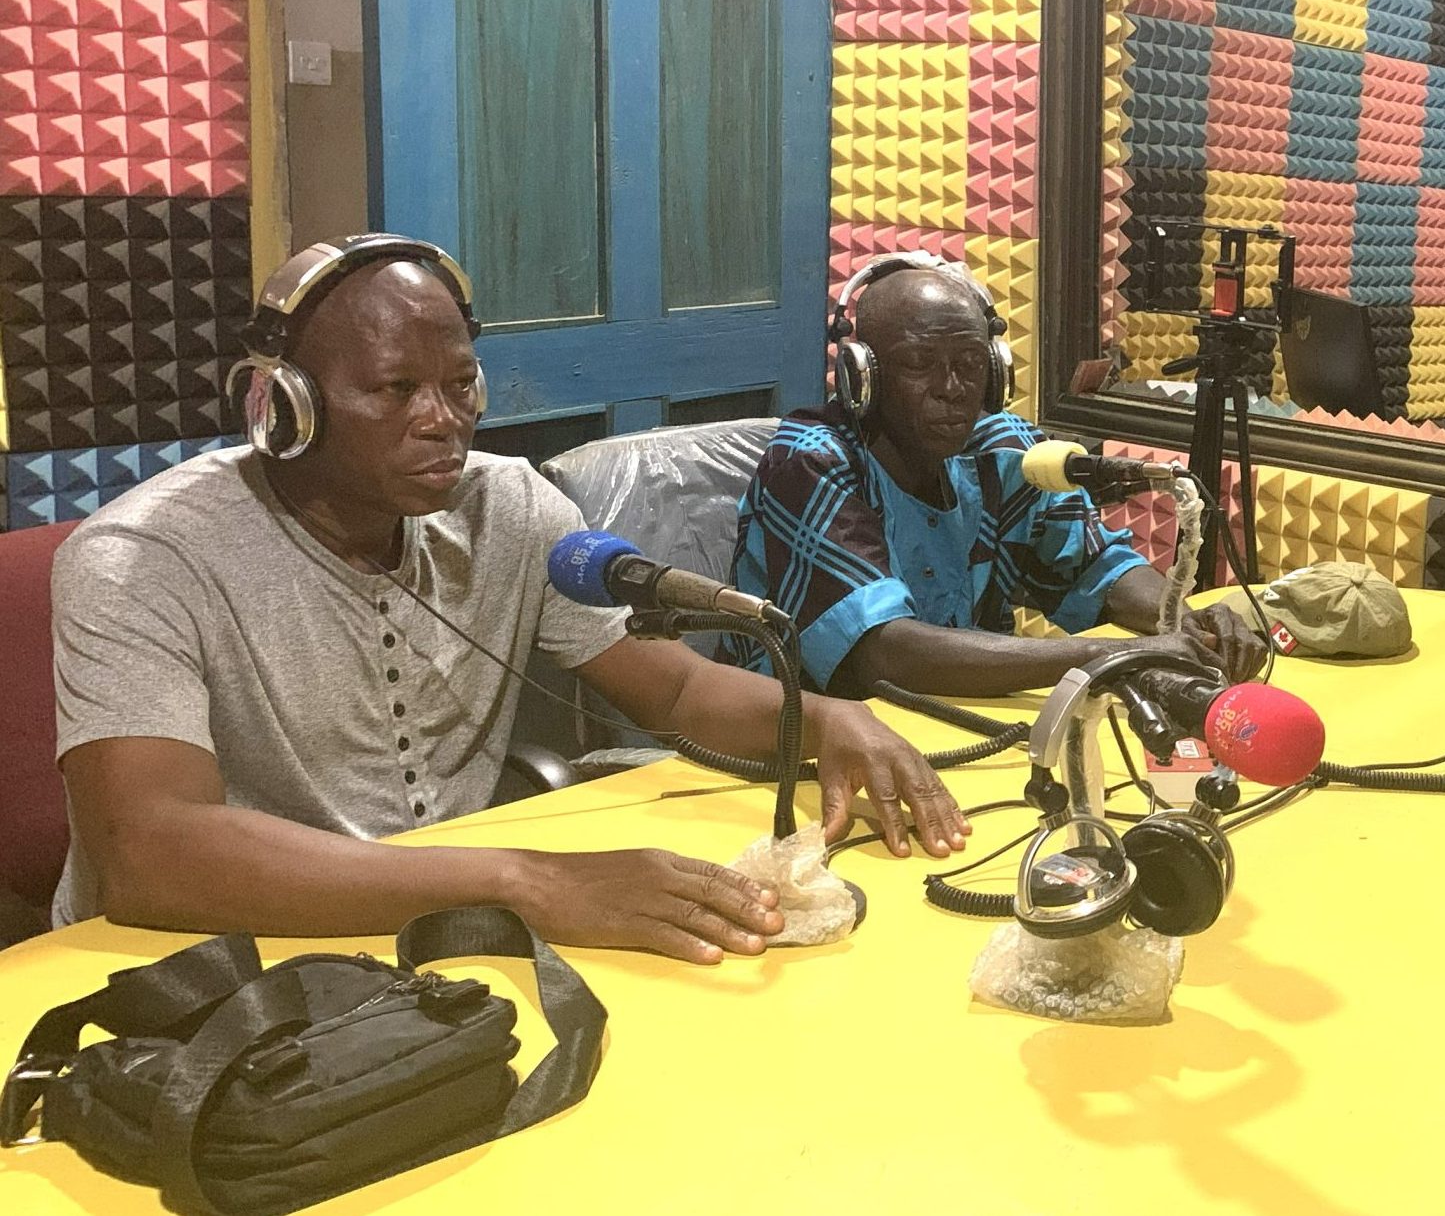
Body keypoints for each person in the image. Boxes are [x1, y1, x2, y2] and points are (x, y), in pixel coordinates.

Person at [52, 235, 970, 964]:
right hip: (217, 957)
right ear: (284, 407)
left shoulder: (507, 503)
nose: (442, 420)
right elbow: (150, 852)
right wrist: (531, 882)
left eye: (459, 386)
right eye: (393, 389)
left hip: (445, 941)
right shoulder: (145, 557)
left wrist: (826, 720)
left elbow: (679, 694)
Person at [730, 255, 1268, 699]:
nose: (952, 387)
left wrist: (1179, 620)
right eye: (919, 363)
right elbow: (879, 655)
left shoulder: (1005, 451)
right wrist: (1115, 655)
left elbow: (1098, 567)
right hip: (797, 740)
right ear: (860, 376)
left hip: (949, 718)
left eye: (969, 363)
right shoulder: (812, 459)